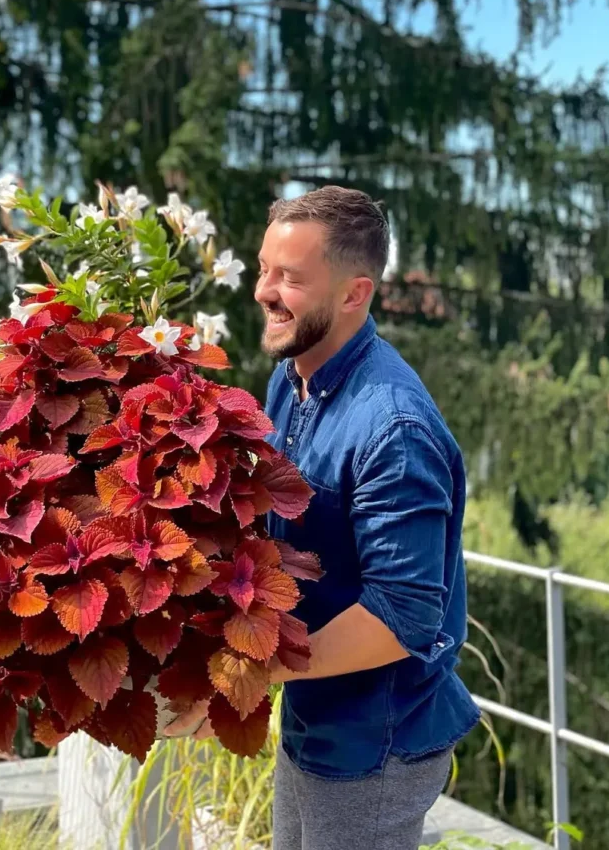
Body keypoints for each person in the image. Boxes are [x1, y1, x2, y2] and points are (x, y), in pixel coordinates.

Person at [166, 186, 480, 850]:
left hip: (375, 742)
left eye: (290, 277)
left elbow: (402, 617)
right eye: (263, 269)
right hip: (315, 714)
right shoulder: (292, 379)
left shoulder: (394, 429)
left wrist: (241, 679)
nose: (262, 291)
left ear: (353, 294)